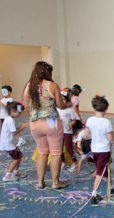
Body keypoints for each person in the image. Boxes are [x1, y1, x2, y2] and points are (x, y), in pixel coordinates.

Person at [23, 61, 69, 189]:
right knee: (55, 153)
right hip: (51, 122)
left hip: (35, 124)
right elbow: (60, 105)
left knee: (42, 152)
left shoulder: (29, 85)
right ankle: (55, 182)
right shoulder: (53, 85)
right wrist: (68, 104)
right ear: (47, 71)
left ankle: (40, 182)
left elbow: (26, 105)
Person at [84, 95, 114, 204]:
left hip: (94, 150)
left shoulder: (90, 120)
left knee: (104, 169)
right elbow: (111, 138)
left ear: (94, 107)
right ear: (106, 109)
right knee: (100, 172)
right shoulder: (106, 122)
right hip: (104, 150)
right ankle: (94, 194)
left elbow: (86, 135)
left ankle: (112, 186)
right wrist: (111, 141)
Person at [0, 102, 28, 181]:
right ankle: (7, 176)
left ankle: (16, 172)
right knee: (16, 158)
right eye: (19, 112)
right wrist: (23, 127)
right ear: (13, 111)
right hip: (7, 144)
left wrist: (20, 128)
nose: (20, 114)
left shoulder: (9, 118)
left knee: (19, 155)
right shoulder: (10, 120)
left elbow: (13, 130)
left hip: (9, 142)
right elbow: (14, 133)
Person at [57, 89, 78, 172]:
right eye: (60, 99)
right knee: (59, 148)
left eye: (63, 99)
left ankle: (74, 163)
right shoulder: (57, 109)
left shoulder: (70, 110)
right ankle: (63, 162)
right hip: (58, 131)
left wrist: (70, 124)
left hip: (67, 131)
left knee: (69, 148)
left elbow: (74, 120)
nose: (61, 101)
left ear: (66, 100)